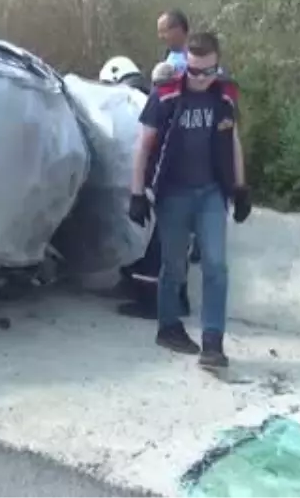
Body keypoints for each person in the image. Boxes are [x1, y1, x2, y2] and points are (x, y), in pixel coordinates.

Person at [128, 32, 252, 368]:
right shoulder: (166, 95)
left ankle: (213, 341)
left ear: (218, 64)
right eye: (193, 71)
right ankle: (168, 326)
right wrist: (137, 194)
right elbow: (144, 145)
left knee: (215, 264)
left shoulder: (225, 94)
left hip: (212, 191)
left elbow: (233, 140)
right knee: (174, 264)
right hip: (173, 194)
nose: (199, 78)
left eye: (207, 71)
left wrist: (240, 188)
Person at [96, 56, 189, 321]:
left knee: (154, 248)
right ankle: (179, 300)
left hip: (167, 187)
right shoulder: (187, 104)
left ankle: (150, 304)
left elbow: (143, 150)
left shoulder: (156, 103)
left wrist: (139, 192)